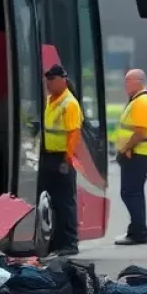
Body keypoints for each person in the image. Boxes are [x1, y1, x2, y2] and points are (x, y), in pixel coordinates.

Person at [40, 63, 84, 256]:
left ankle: (69, 243)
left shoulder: (69, 103)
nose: (48, 83)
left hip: (62, 159)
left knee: (65, 203)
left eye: (52, 79)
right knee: (52, 202)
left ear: (63, 80)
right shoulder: (50, 101)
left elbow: (74, 134)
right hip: (48, 156)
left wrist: (67, 159)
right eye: (47, 79)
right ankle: (56, 243)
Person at [113, 69, 147, 246]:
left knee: (131, 193)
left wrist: (126, 148)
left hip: (137, 154)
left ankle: (138, 232)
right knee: (132, 193)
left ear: (139, 82)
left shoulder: (141, 102)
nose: (126, 85)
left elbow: (140, 131)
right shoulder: (137, 101)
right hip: (135, 153)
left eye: (128, 81)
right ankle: (136, 230)